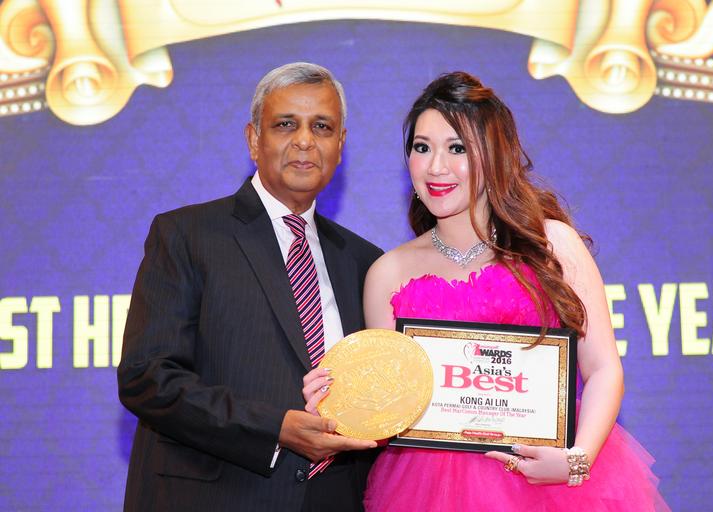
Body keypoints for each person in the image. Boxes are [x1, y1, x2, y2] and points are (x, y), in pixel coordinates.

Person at [359, 72, 670, 510]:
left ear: (494, 153)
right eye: (422, 147)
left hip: (549, 484)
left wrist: (576, 460)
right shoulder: (387, 273)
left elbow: (603, 368)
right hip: (429, 491)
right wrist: (344, 398)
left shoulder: (551, 244)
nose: (435, 167)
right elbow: (392, 409)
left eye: (457, 148)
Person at [117, 62, 382, 512]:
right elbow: (147, 377)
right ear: (254, 139)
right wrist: (273, 428)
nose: (305, 140)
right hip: (216, 497)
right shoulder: (187, 235)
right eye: (285, 124)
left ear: (340, 144)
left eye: (322, 126)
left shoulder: (364, 261)